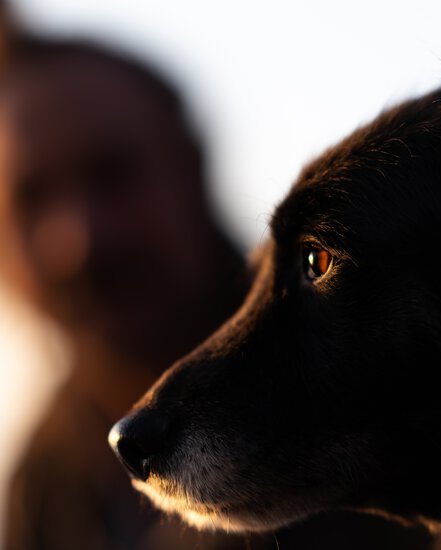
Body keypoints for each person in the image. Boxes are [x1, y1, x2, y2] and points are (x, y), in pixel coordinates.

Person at [0, 24, 253, 550]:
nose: (78, 241)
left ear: (192, 169)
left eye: (112, 174)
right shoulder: (43, 485)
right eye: (32, 199)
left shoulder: (363, 382)